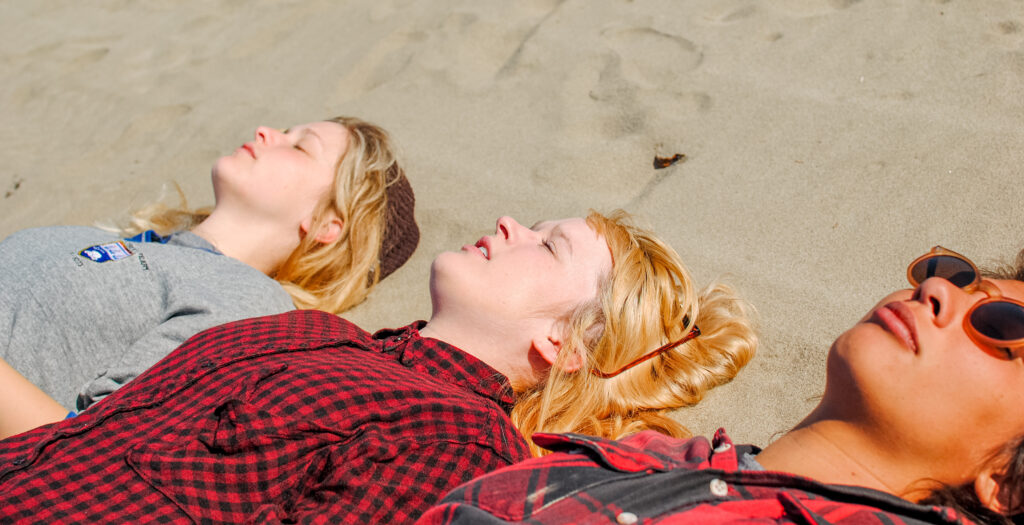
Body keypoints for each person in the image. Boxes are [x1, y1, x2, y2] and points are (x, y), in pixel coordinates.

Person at [0, 211, 756, 524]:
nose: (507, 224)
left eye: (547, 243)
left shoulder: (455, 441)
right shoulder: (318, 333)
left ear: (567, 345)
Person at [417, 245, 1024, 525]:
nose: (934, 291)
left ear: (1007, 482)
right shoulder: (634, 454)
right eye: (957, 275)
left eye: (1001, 324)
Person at [0, 116, 420, 424]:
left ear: (329, 223)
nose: (264, 130)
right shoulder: (142, 246)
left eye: (298, 146)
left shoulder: (244, 298)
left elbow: (81, 444)